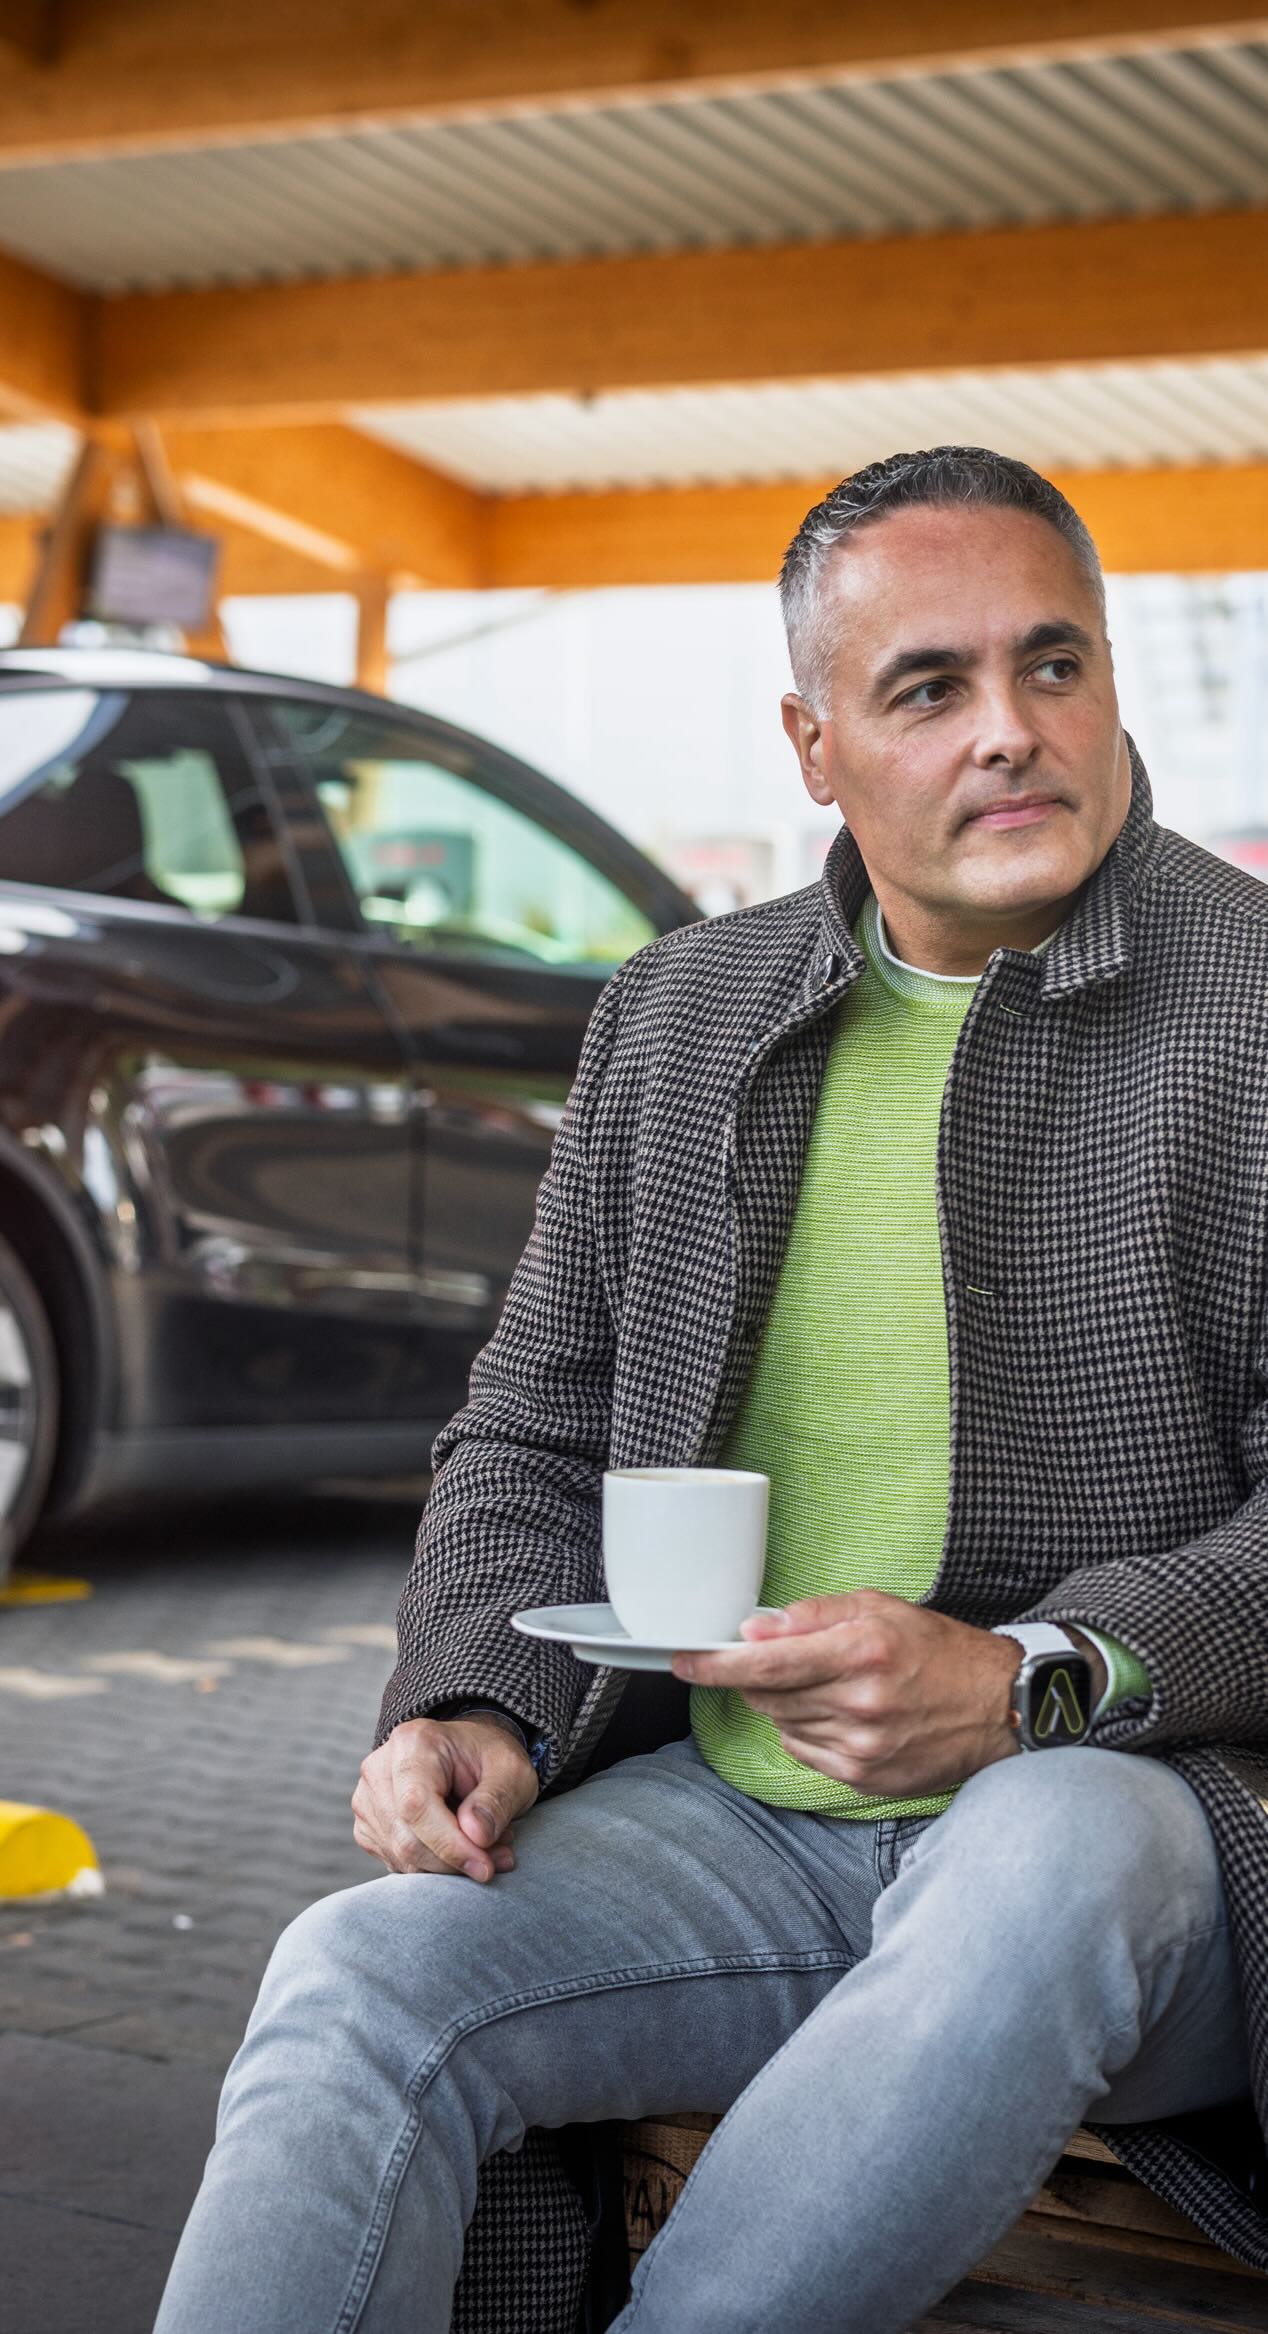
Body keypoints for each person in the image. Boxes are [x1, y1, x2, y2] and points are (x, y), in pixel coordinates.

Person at [153, 448, 1268, 2334]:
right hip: (736, 1830)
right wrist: (471, 1700)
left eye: (1054, 665)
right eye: (930, 687)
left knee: (1045, 1835)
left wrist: (1029, 1679)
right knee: (362, 1971)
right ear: (815, 741)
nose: (1011, 731)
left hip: (1147, 1829)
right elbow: (528, 1433)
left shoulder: (1254, 1004)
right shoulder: (678, 1014)